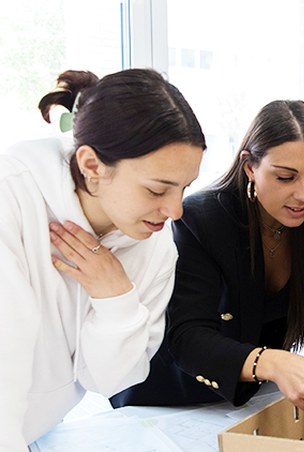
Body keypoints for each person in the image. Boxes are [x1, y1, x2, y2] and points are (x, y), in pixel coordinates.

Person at [111, 100, 304, 419]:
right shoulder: (202, 220)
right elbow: (188, 338)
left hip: (250, 395)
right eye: (285, 178)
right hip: (169, 396)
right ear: (250, 167)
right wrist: (277, 363)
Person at [0, 68, 205, 449]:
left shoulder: (155, 244)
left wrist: (116, 299)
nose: (175, 210)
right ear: (92, 166)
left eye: (184, 188)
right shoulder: (11, 197)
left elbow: (109, 380)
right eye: (157, 189)